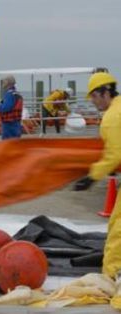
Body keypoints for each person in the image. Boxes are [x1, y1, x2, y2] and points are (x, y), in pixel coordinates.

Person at [73, 72, 121, 308]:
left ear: (105, 93)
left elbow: (114, 154)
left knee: (117, 232)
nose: (92, 101)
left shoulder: (112, 117)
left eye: (94, 96)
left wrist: (91, 177)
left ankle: (111, 279)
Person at [0, 75, 23, 139]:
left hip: (8, 124)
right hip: (16, 122)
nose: (2, 83)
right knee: (16, 142)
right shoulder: (17, 93)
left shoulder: (9, 94)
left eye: (4, 81)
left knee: (7, 142)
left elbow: (6, 107)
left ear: (8, 83)